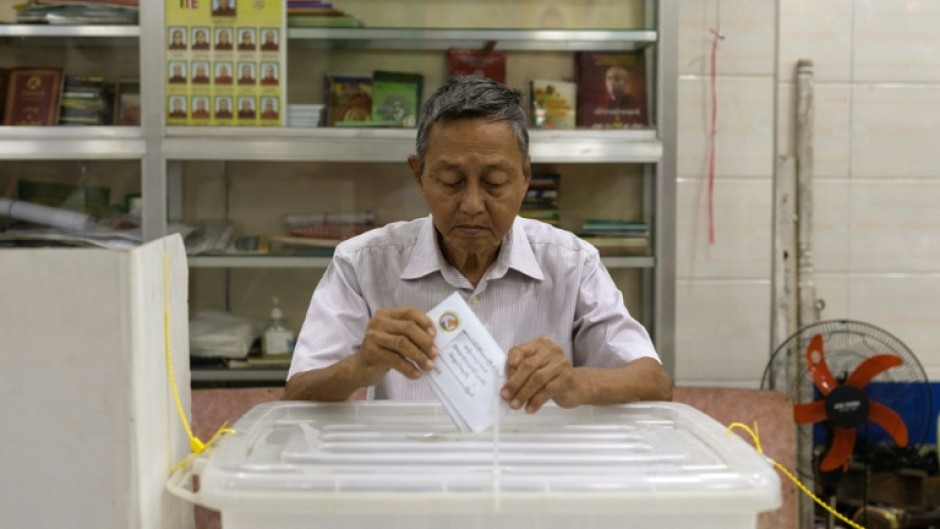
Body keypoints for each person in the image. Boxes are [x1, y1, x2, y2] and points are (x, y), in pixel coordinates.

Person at [284, 76, 672, 411]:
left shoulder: (571, 263)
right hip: (408, 476)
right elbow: (296, 395)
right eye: (451, 181)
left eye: (494, 182)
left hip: (535, 478)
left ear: (524, 177)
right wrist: (359, 367)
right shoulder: (362, 263)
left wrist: (577, 383)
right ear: (419, 176)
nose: (472, 205)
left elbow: (654, 383)